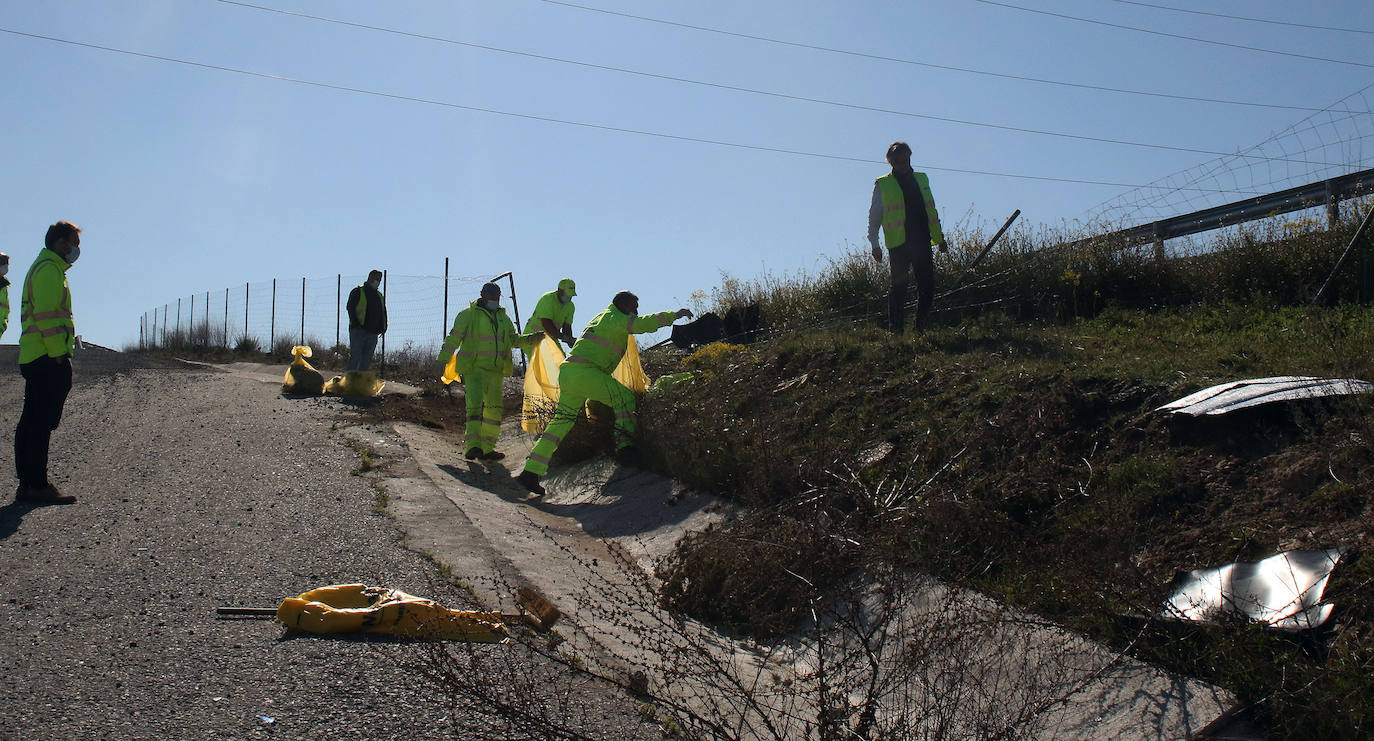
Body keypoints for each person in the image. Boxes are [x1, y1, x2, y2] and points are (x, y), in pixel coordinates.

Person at [515, 291, 692, 496]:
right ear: (623, 304)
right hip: (584, 372)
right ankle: (625, 448)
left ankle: (530, 472)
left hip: (571, 372)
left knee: (561, 422)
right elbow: (643, 324)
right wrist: (674, 315)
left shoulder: (604, 316)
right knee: (623, 398)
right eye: (634, 305)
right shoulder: (615, 318)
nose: (636, 310)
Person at [14, 221, 82, 505]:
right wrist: (57, 353)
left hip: (38, 355)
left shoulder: (48, 268)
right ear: (60, 243)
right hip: (45, 357)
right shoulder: (49, 270)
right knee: (39, 423)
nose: (76, 250)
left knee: (33, 422)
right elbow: (46, 316)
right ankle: (35, 485)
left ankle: (30, 484)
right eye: (73, 243)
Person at [438, 282, 542, 461]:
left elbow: (513, 340)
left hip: (495, 371)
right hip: (474, 369)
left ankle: (487, 448)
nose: (494, 299)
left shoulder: (503, 317)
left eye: (497, 296)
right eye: (491, 295)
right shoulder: (468, 315)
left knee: (494, 411)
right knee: (474, 408)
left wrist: (531, 339)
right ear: (483, 294)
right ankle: (473, 447)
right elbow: (453, 338)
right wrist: (443, 359)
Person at [868, 141, 946, 333]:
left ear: (909, 157)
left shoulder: (922, 179)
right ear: (891, 162)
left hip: (922, 240)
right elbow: (874, 214)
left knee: (927, 286)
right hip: (898, 243)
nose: (902, 164)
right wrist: (874, 243)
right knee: (899, 288)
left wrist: (940, 238)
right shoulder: (883, 183)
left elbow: (931, 210)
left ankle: (921, 329)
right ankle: (896, 331)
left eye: (904, 159)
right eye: (897, 161)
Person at [345, 270, 387, 371]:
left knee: (366, 360)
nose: (378, 282)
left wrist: (384, 326)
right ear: (370, 278)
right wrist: (356, 324)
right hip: (358, 331)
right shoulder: (358, 291)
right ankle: (349, 382)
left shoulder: (379, 296)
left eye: (380, 280)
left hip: (373, 333)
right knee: (355, 357)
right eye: (376, 279)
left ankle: (359, 383)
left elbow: (383, 312)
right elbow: (350, 308)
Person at [523, 278, 578, 351]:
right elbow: (547, 324)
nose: (569, 297)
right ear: (560, 291)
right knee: (543, 361)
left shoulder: (570, 306)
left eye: (571, 295)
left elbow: (567, 327)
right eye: (567, 294)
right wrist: (563, 337)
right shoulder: (548, 299)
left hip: (550, 337)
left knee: (561, 361)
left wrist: (570, 340)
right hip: (532, 337)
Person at [0, 252, 10, 337]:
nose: (6, 266)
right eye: (2, 262)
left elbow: (6, 312)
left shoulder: (4, 286)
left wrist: (2, 328)